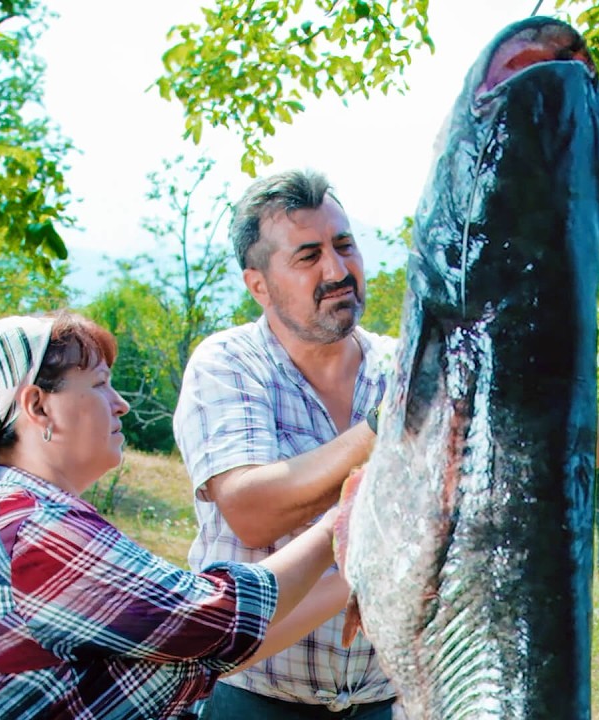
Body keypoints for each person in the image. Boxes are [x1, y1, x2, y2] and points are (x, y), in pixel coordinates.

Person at [0, 310, 351, 720]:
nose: (120, 403)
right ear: (38, 406)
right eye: (100, 384)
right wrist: (345, 519)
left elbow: (206, 650)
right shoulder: (31, 529)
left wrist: (352, 578)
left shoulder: (7, 513)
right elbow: (217, 616)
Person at [173, 169, 398, 718]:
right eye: (308, 256)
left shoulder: (403, 365)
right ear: (259, 285)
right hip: (252, 696)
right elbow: (253, 510)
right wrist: (382, 429)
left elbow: (570, 455)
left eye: (345, 246)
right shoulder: (228, 365)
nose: (338, 270)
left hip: (383, 697)